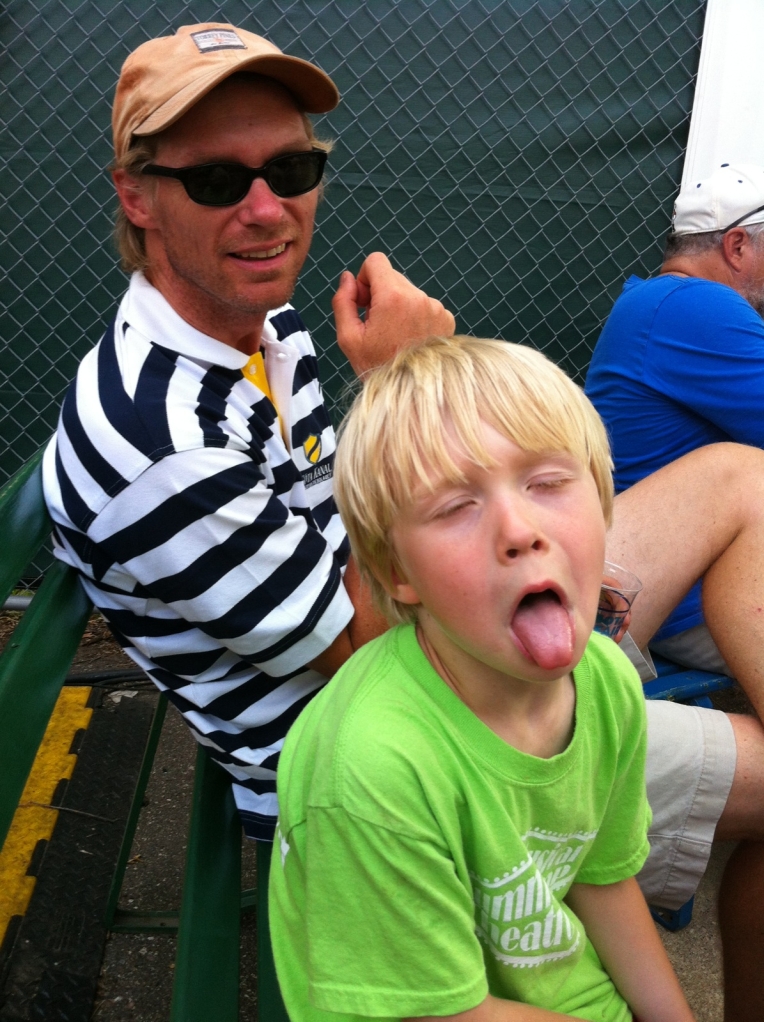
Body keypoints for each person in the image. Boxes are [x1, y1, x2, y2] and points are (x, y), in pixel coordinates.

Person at [39, 23, 764, 1017]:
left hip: (451, 622)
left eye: (291, 167)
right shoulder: (159, 441)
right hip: (418, 720)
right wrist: (403, 374)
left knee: (736, 475)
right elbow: (364, 644)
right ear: (136, 195)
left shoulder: (258, 323)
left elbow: (376, 523)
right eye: (215, 180)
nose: (267, 209)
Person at [270, 334, 695, 1022]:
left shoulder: (607, 682)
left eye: (548, 483)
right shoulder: (371, 765)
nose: (519, 529)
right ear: (398, 573)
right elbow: (441, 1014)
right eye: (454, 507)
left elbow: (603, 878)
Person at [586, 163, 764, 695]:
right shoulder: (694, 305)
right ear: (737, 246)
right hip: (697, 606)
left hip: (678, 589)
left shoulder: (655, 300)